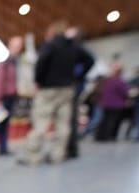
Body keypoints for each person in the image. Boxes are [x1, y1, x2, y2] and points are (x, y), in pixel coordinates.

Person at [18, 21, 94, 165]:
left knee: (41, 123)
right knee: (63, 125)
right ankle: (57, 155)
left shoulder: (51, 45)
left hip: (48, 89)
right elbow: (90, 60)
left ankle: (33, 156)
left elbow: (40, 64)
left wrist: (38, 80)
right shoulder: (74, 47)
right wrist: (77, 77)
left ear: (52, 32)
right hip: (67, 89)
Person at [0, 36, 24, 157]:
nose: (18, 49)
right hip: (1, 99)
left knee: (4, 125)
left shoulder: (14, 63)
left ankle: (3, 148)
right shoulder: (5, 63)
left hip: (10, 99)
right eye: (16, 46)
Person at [64, 27, 94, 159]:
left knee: (69, 118)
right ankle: (70, 147)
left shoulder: (76, 48)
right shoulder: (75, 49)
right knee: (69, 118)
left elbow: (90, 60)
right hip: (73, 86)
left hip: (72, 87)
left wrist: (78, 76)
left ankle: (71, 148)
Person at [95, 64, 130, 142]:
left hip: (106, 103)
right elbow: (125, 92)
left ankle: (100, 136)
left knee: (104, 120)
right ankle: (108, 136)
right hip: (116, 104)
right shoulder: (120, 81)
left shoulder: (107, 80)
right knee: (112, 121)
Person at [127, 67, 139, 141]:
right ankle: (133, 135)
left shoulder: (134, 80)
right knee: (135, 120)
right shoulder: (133, 80)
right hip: (135, 102)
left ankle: (135, 135)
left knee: (136, 120)